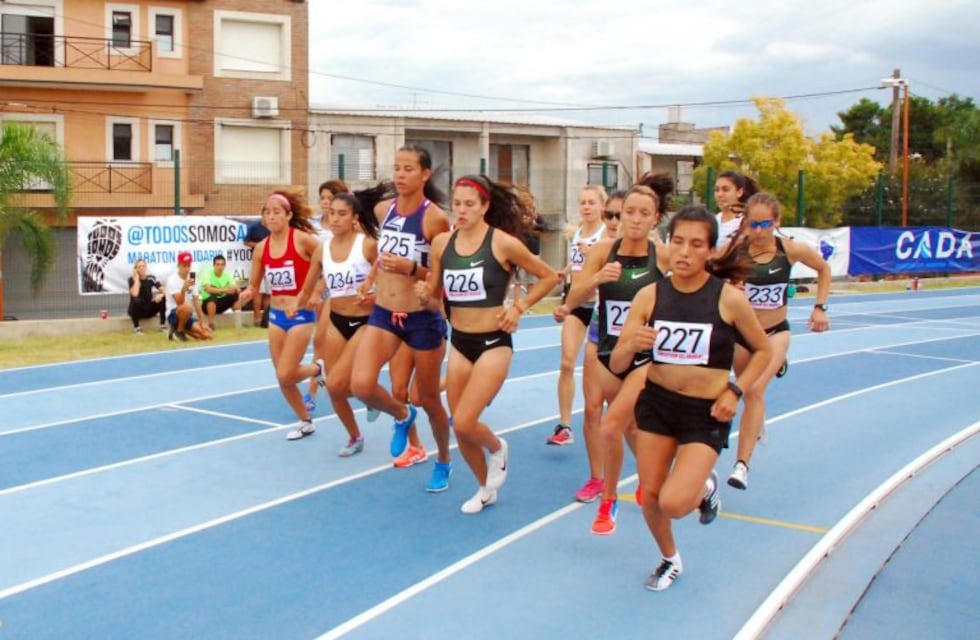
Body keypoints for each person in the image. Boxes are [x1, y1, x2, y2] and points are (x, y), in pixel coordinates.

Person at [610, 205, 772, 592]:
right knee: (649, 494)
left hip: (707, 410)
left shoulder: (728, 299)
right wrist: (632, 342)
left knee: (675, 503)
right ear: (667, 245)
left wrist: (736, 390)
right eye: (677, 242)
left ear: (711, 251)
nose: (684, 252)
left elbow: (763, 351)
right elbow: (617, 364)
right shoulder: (649, 296)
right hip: (658, 403)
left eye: (696, 244)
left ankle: (705, 489)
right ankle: (670, 559)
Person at [418, 174, 559, 513]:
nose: (462, 210)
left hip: (494, 341)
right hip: (460, 341)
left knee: (466, 420)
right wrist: (424, 295)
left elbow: (550, 277)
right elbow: (435, 294)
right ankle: (484, 488)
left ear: (484, 207)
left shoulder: (502, 243)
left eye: (470, 204)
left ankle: (498, 448)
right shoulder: (441, 244)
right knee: (462, 430)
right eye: (458, 203)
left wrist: (520, 307)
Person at [555, 179, 673, 523]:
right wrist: (596, 280)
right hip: (602, 342)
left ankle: (649, 476)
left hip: (641, 352)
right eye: (627, 213)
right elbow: (573, 298)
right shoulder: (602, 252)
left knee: (631, 425)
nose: (634, 220)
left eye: (643, 214)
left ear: (655, 220)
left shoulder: (661, 255)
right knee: (597, 414)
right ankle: (601, 482)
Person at [350, 144, 454, 493]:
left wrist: (413, 268)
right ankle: (400, 414)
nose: (400, 174)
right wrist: (371, 279)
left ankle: (442, 459)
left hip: (421, 319)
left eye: (409, 168)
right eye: (397, 168)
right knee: (361, 385)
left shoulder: (434, 218)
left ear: (425, 174)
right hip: (383, 312)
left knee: (428, 399)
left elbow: (444, 275)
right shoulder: (383, 210)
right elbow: (384, 257)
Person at [726, 192, 831, 490]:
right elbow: (710, 270)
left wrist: (820, 307)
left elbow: (823, 269)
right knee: (747, 391)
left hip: (775, 332)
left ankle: (741, 466)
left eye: (765, 224)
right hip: (743, 336)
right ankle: (756, 419)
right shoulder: (736, 250)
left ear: (777, 222)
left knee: (754, 389)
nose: (759, 231)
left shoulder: (791, 249)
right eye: (753, 224)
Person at [293, 187, 386, 457]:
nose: (334, 219)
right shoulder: (322, 250)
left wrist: (373, 297)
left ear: (354, 217)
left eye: (341, 214)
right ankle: (355, 436)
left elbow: (390, 285)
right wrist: (295, 305)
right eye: (331, 213)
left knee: (336, 384)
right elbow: (309, 286)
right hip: (337, 319)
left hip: (366, 322)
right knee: (335, 388)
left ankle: (393, 408)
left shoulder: (367, 245)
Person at [240, 190, 325, 441]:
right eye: (267, 212)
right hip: (276, 315)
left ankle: (317, 369)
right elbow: (255, 285)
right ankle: (305, 421)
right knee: (283, 378)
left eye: (276, 212)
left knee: (286, 372)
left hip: (300, 314)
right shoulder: (261, 249)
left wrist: (316, 292)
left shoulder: (303, 240)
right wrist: (247, 292)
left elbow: (328, 263)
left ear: (288, 215)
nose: (271, 216)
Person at [549, 185, 609, 445]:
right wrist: (565, 270)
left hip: (599, 306)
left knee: (604, 370)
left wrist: (593, 257)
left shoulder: (607, 233)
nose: (586, 207)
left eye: (591, 202)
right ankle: (564, 426)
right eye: (582, 202)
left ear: (602, 206)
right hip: (575, 304)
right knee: (566, 363)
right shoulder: (576, 233)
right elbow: (577, 262)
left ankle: (611, 415)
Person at [302, 178, 351, 414]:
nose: (325, 202)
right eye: (322, 198)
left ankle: (359, 389)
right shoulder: (314, 226)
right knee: (320, 341)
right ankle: (314, 388)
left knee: (337, 344)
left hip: (345, 289)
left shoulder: (349, 229)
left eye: (330, 198)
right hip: (322, 288)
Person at [165, 251, 213, 342]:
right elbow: (180, 303)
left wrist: (202, 322)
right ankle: (178, 331)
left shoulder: (192, 276)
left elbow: (196, 300)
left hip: (187, 314)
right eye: (184, 265)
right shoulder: (172, 280)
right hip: (174, 313)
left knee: (207, 335)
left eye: (188, 265)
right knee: (187, 307)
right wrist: (184, 288)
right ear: (178, 265)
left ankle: (176, 330)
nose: (187, 269)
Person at [713, 170, 758, 250]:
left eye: (726, 189)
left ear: (739, 192)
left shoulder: (746, 222)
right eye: (717, 190)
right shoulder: (713, 220)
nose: (720, 194)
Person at [200, 254, 242, 330]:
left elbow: (234, 286)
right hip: (207, 306)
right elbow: (209, 289)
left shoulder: (227, 275)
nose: (220, 267)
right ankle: (211, 325)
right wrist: (225, 290)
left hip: (220, 304)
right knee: (212, 298)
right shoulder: (207, 274)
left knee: (235, 295)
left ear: (225, 266)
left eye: (222, 265)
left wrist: (236, 289)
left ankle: (238, 323)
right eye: (218, 264)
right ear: (213, 265)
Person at [244, 215, 271, 327]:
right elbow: (246, 242)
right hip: (258, 262)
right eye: (267, 213)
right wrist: (259, 245)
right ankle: (257, 319)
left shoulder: (273, 227)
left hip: (271, 262)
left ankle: (267, 318)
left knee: (269, 292)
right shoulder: (254, 227)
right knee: (258, 291)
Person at [127, 259, 166, 334]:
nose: (141, 268)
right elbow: (134, 293)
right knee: (136, 300)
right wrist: (137, 279)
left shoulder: (151, 278)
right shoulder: (132, 279)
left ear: (146, 267)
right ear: (136, 269)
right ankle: (137, 328)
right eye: (139, 267)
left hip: (149, 309)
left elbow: (164, 290)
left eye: (143, 266)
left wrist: (161, 295)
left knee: (162, 298)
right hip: (137, 311)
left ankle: (163, 326)